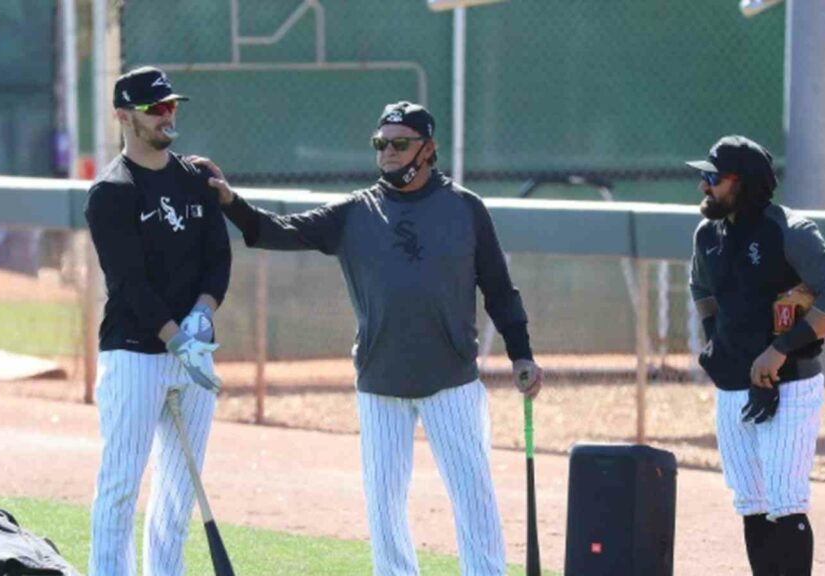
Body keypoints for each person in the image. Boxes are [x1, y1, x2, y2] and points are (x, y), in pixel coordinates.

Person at [191, 101, 543, 576]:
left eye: (400, 144)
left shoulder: (465, 208)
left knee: (474, 496)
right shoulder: (355, 211)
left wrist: (521, 355)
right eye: (381, 144)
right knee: (383, 506)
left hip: (452, 380)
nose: (389, 154)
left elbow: (500, 290)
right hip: (380, 383)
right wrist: (230, 202)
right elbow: (277, 230)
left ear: (429, 148)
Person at [687, 135, 825, 576]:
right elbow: (701, 288)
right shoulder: (707, 234)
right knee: (752, 503)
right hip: (733, 385)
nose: (704, 186)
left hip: (793, 381)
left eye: (713, 177)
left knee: (786, 502)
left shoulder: (790, 231)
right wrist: (714, 339)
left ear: (741, 183)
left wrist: (779, 349)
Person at [84, 66, 231, 576]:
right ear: (125, 117)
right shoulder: (111, 190)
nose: (168, 115)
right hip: (134, 351)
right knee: (121, 487)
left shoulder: (196, 176)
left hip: (191, 348)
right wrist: (178, 342)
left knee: (178, 494)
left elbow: (218, 258)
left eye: (171, 105)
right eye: (155, 108)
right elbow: (128, 282)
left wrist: (202, 315)